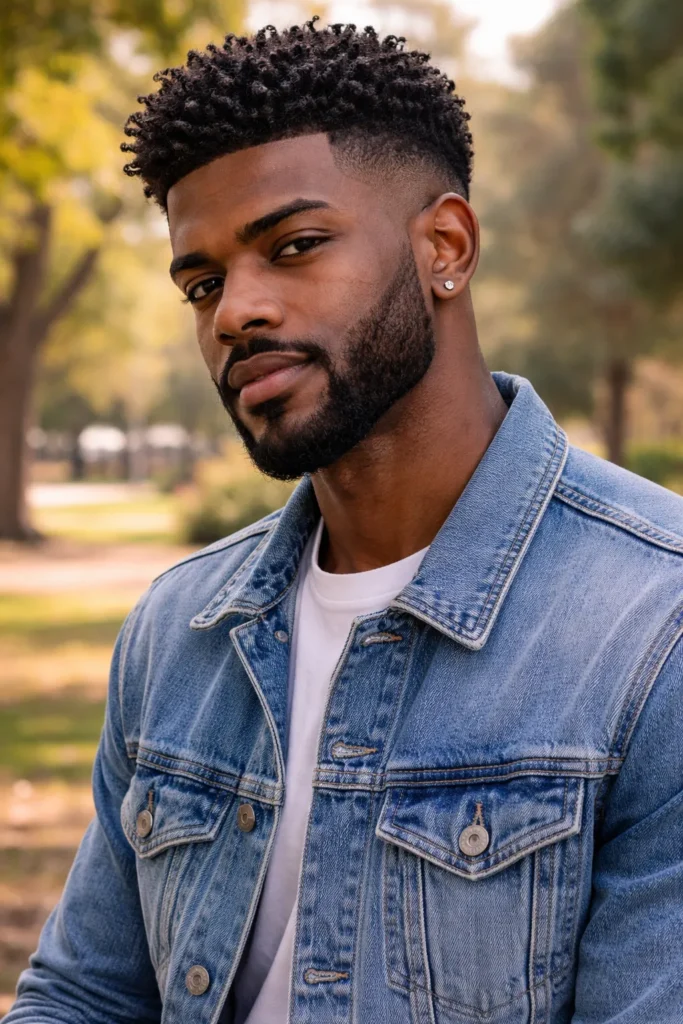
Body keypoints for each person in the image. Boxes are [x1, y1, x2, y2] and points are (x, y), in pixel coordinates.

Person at [6, 19, 682, 1024]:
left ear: (444, 247)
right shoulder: (179, 628)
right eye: (203, 284)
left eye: (293, 247)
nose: (234, 312)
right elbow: (85, 995)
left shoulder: (654, 625)